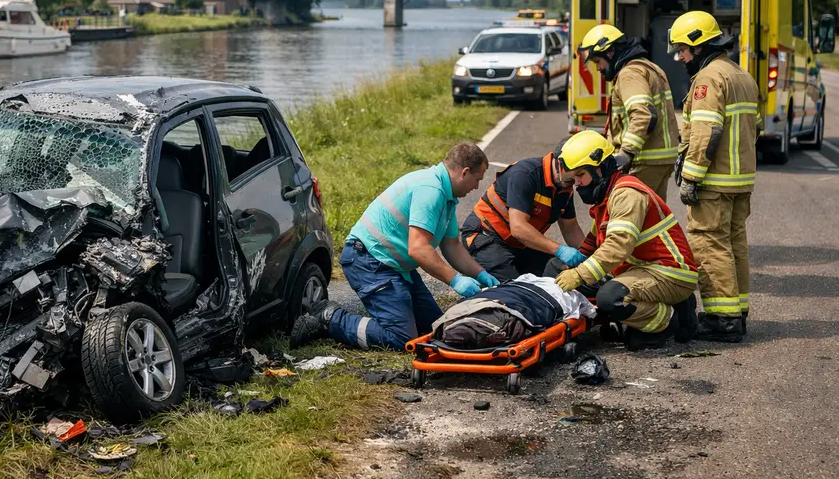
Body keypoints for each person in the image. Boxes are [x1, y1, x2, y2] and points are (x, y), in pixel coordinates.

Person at [290, 143, 500, 350]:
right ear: (464, 172)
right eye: (477, 179)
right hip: (369, 261)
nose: (476, 186)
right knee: (401, 338)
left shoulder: (447, 197)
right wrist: (456, 280)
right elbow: (418, 249)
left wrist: (481, 274)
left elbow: (452, 245)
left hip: (393, 266)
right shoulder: (431, 190)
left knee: (433, 329)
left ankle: (369, 317)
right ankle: (329, 319)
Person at [550, 130, 699, 350]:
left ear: (598, 169)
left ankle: (669, 320)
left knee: (611, 299)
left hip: (669, 272)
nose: (577, 184)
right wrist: (570, 264)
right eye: (573, 178)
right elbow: (594, 242)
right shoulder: (608, 195)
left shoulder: (626, 194)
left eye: (580, 175)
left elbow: (616, 247)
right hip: (639, 270)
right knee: (555, 267)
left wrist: (579, 274)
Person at [669, 10, 759, 343]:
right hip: (740, 180)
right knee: (735, 244)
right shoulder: (742, 76)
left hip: (714, 181)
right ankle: (737, 311)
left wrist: (691, 177)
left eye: (683, 49)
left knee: (708, 245)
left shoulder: (708, 79)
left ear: (699, 45)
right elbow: (754, 129)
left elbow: (707, 131)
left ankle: (723, 319)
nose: (680, 57)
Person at [459, 141, 587, 282]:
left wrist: (591, 261)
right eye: (578, 174)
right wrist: (559, 250)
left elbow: (571, 229)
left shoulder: (564, 186)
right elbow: (518, 228)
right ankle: (478, 267)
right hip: (486, 237)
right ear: (561, 164)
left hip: (521, 244)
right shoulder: (525, 174)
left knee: (559, 276)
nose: (578, 182)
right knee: (517, 291)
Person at [578, 24, 681, 199]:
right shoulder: (650, 68)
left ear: (610, 52)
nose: (598, 68)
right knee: (651, 217)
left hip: (644, 160)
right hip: (659, 159)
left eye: (598, 61)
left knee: (626, 216)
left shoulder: (630, 74)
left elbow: (643, 114)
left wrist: (625, 154)